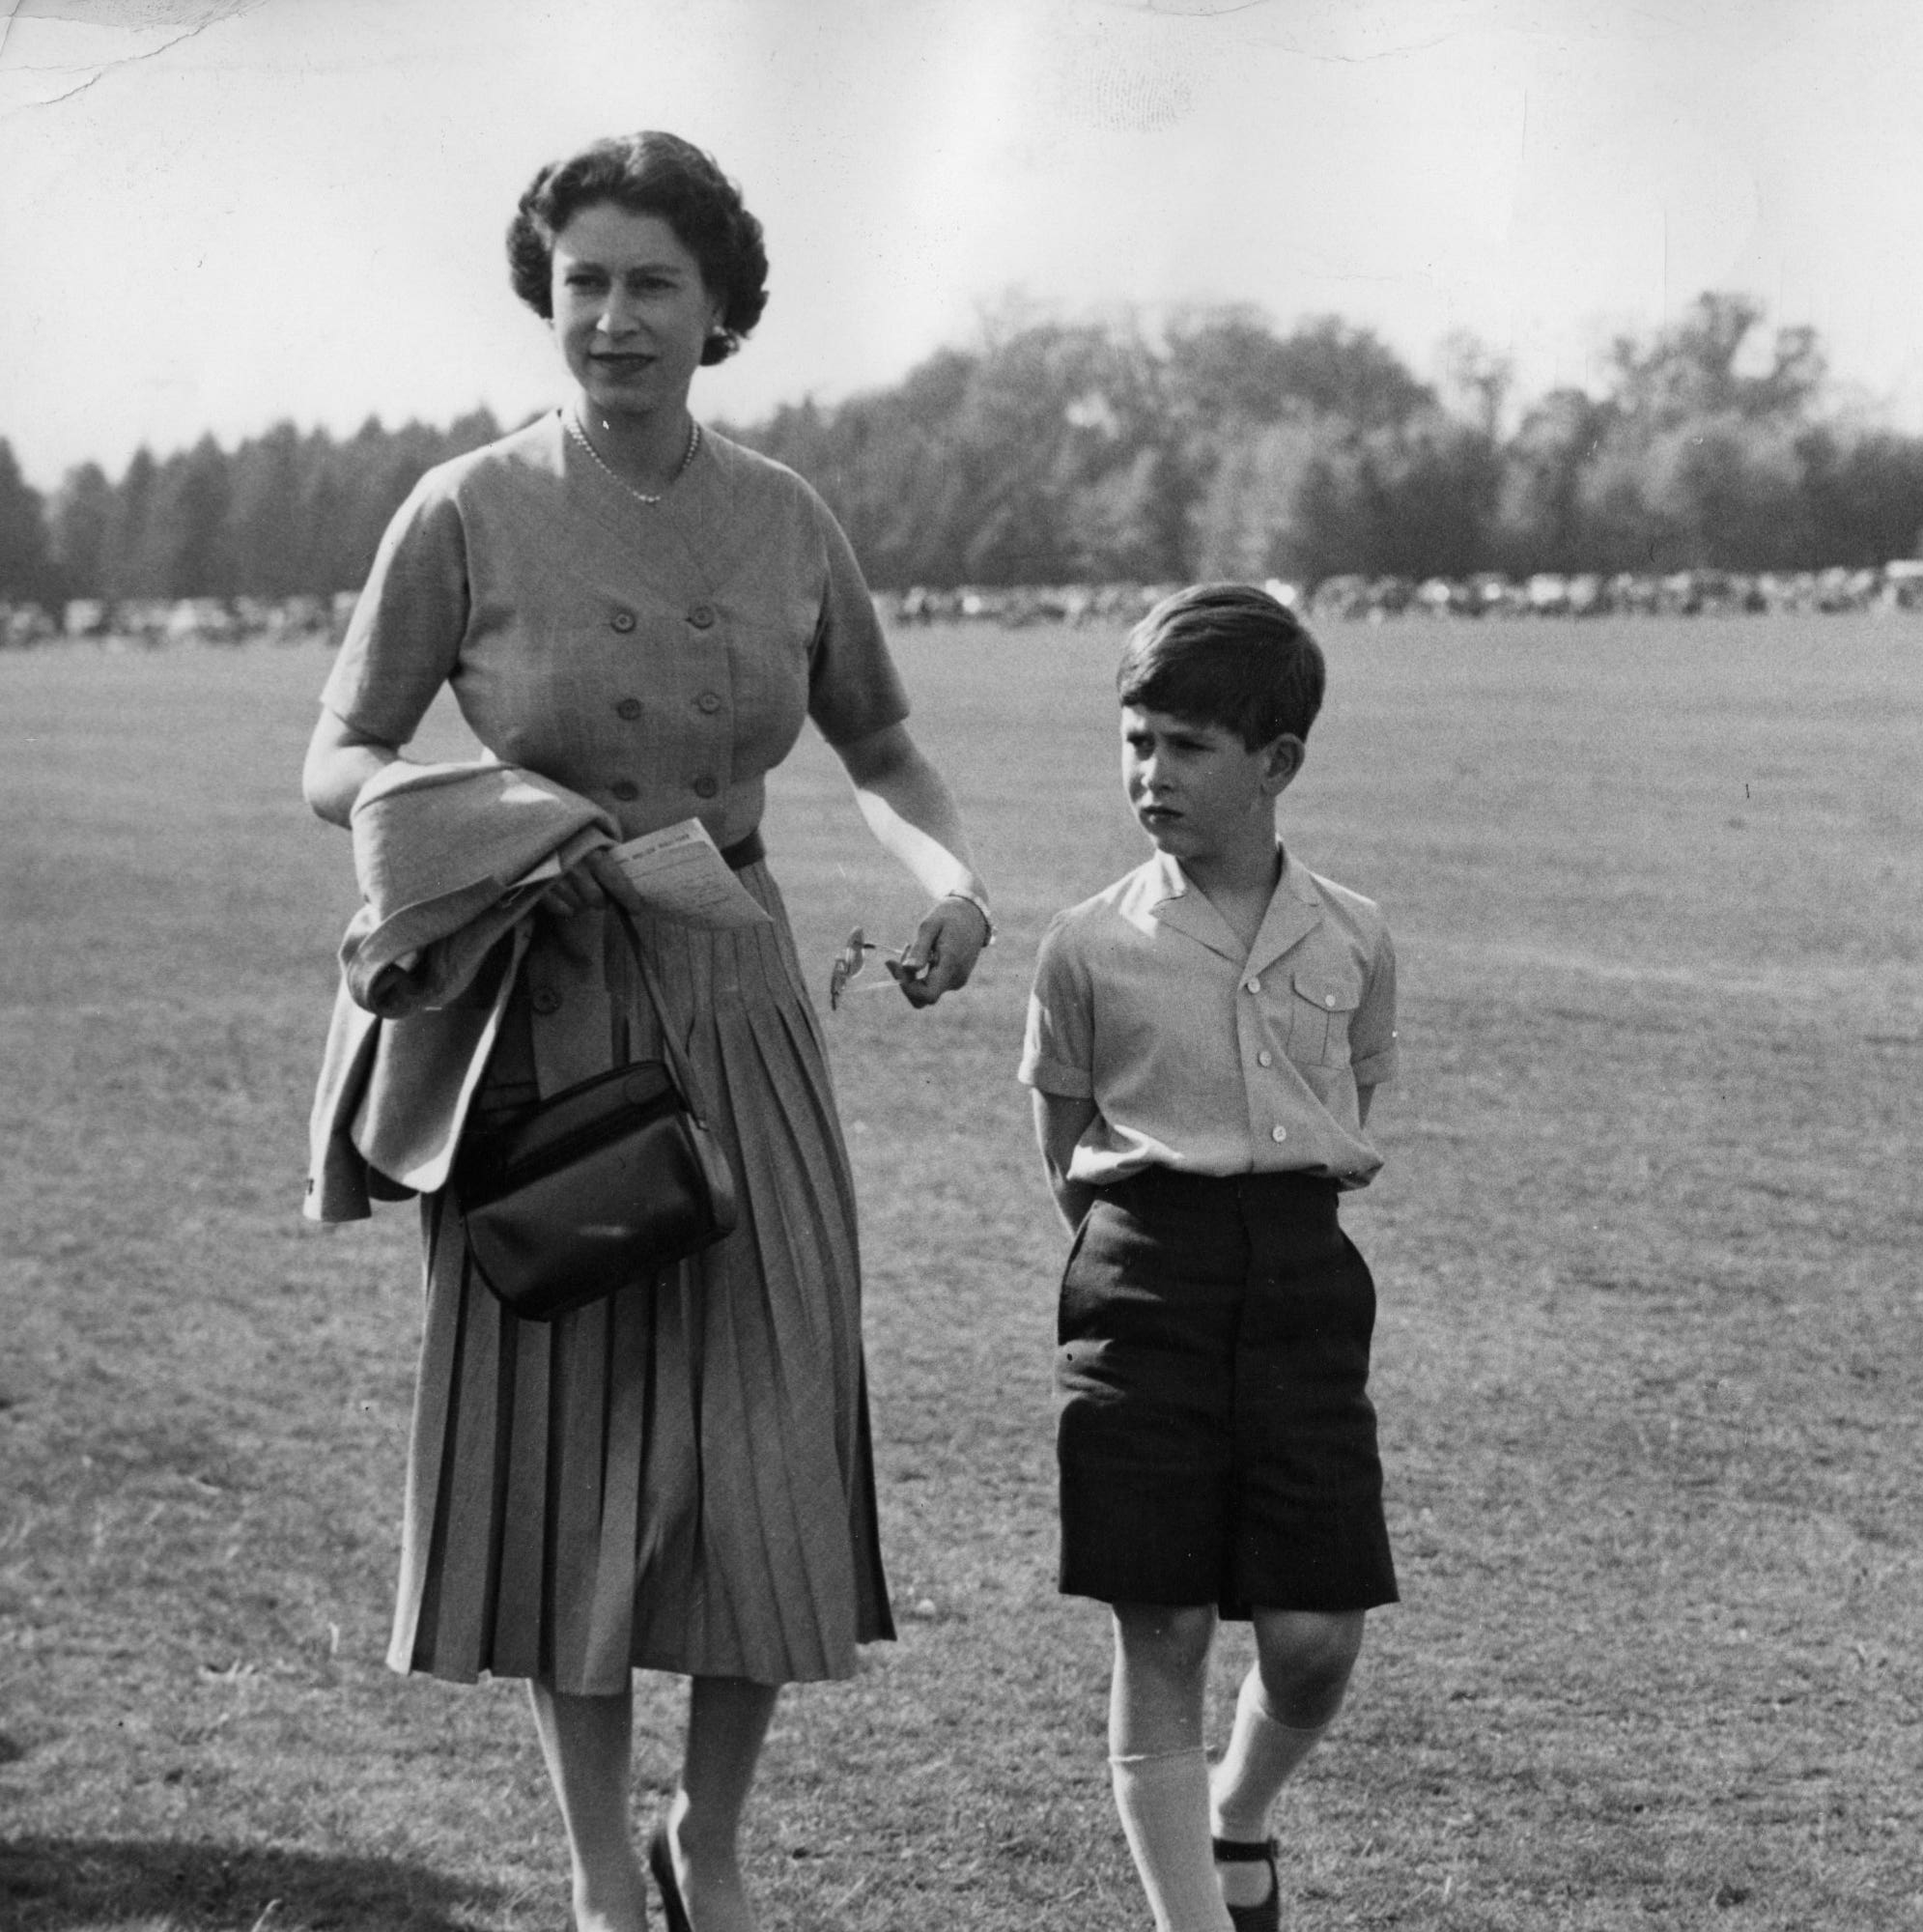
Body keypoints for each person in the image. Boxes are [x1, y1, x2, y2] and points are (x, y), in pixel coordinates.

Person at [299, 131, 992, 1932]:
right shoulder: (461, 506)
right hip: (542, 1014)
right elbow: (339, 759)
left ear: (718, 306)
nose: (611, 319)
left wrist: (945, 877)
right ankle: (607, 1874)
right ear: (548, 295)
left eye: (651, 283)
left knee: (765, 1428)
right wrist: (502, 825)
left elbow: (886, 749)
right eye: (583, 280)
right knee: (567, 1443)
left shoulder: (789, 516)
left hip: (743, 994)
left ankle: (719, 1836)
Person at [1018, 584, 1400, 1932]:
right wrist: (1145, 1251)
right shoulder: (1085, 943)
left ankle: (1242, 1817)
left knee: (1313, 1641)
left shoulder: (1353, 934)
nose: (1150, 775)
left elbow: (1355, 1092)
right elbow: (1061, 1130)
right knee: (1163, 1625)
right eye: (1136, 741)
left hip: (1302, 1285)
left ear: (1279, 763)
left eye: (1187, 747)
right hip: (1140, 1289)